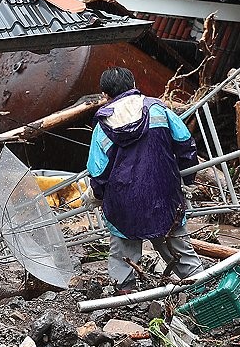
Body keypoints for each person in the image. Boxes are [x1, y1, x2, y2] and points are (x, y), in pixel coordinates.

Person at [86, 66, 206, 294]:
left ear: (105, 95)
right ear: (133, 85)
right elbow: (185, 144)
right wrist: (187, 179)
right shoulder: (158, 109)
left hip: (123, 203)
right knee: (179, 249)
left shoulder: (103, 125)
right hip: (164, 194)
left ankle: (125, 297)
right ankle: (203, 290)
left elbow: (98, 171)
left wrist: (98, 195)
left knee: (123, 251)